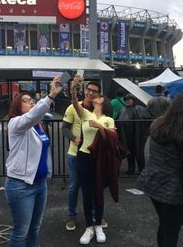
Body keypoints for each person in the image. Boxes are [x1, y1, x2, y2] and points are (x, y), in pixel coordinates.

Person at [5, 77, 62, 247]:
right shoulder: (15, 123)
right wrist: (51, 95)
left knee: (34, 228)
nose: (31, 103)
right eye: (26, 101)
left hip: (40, 184)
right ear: (17, 106)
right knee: (20, 232)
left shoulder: (38, 126)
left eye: (32, 100)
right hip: (20, 185)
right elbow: (32, 116)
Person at [138, 95, 183, 247]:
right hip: (173, 190)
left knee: (164, 224)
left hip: (153, 182)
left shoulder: (157, 125)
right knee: (172, 231)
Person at [70, 75, 115, 245]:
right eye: (91, 92)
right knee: (87, 192)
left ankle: (98, 224)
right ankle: (89, 226)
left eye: (97, 94)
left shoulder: (108, 119)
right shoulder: (85, 114)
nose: (93, 95)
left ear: (102, 100)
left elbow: (113, 138)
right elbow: (75, 103)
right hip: (84, 156)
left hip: (101, 158)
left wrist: (100, 127)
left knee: (99, 192)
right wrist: (74, 88)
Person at [62, 80, 102, 231]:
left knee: (93, 186)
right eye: (89, 90)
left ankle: (95, 214)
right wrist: (74, 138)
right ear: (85, 90)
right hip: (75, 153)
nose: (91, 93)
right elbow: (64, 128)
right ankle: (71, 215)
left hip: (93, 155)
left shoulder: (99, 110)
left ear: (98, 94)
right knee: (74, 186)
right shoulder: (74, 107)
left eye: (95, 91)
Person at [118, 93, 151, 174]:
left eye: (129, 100)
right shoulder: (122, 110)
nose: (127, 101)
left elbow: (147, 120)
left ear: (133, 100)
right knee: (129, 153)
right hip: (126, 135)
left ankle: (141, 169)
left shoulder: (139, 109)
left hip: (138, 135)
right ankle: (131, 169)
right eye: (126, 100)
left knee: (139, 153)